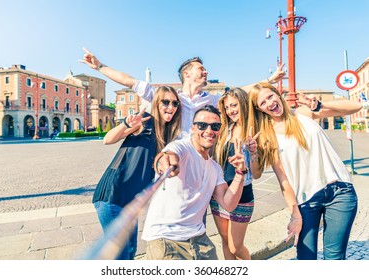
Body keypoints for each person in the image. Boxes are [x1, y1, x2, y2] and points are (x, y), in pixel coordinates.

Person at [247, 82, 362, 260]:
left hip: (341, 193)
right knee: (306, 259)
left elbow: (356, 106)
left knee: (335, 259)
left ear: (278, 94)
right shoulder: (266, 135)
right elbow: (279, 179)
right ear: (259, 109)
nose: (269, 103)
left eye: (270, 96)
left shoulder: (304, 113)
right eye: (262, 103)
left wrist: (320, 105)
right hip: (306, 201)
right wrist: (295, 214)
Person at [79, 48, 286, 139]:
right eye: (200, 68)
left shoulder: (212, 100)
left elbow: (241, 92)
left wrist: (268, 81)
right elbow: (129, 81)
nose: (205, 71)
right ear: (187, 73)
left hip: (202, 157)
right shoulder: (169, 99)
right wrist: (99, 67)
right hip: (174, 158)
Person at [141, 105, 249, 260]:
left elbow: (229, 204)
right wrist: (165, 162)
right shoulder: (182, 147)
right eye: (202, 125)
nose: (209, 131)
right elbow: (167, 154)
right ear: (192, 128)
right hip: (166, 239)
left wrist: (240, 173)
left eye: (215, 126)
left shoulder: (215, 168)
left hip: (200, 240)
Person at [92, 85, 182, 260]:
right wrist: (127, 123)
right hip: (113, 197)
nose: (170, 107)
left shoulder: (167, 133)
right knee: (121, 256)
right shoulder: (145, 122)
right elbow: (107, 139)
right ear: (157, 103)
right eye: (166, 102)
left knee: (131, 252)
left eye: (175, 103)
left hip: (131, 203)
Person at [210, 87, 262, 260]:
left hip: (242, 194)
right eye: (227, 107)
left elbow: (257, 174)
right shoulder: (225, 129)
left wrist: (253, 152)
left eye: (234, 105)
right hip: (219, 192)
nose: (231, 110)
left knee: (235, 247)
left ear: (244, 104)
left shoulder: (255, 130)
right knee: (225, 241)